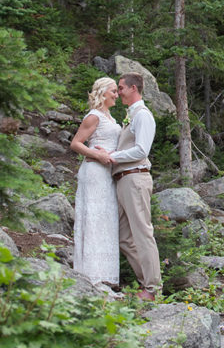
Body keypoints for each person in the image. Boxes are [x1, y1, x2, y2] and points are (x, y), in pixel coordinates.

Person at [89, 72, 161, 302]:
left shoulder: (143, 116)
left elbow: (142, 150)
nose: (118, 92)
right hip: (123, 179)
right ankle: (145, 282)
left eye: (120, 88)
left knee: (142, 233)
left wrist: (112, 156)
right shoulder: (131, 115)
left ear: (133, 88)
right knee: (124, 236)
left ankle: (152, 288)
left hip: (136, 178)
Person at [69, 77, 122, 296]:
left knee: (106, 220)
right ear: (102, 92)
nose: (116, 95)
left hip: (107, 173)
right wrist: (98, 155)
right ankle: (91, 276)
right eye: (113, 91)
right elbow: (75, 143)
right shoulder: (94, 116)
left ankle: (106, 276)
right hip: (94, 172)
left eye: (117, 91)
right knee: (93, 218)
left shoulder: (110, 117)